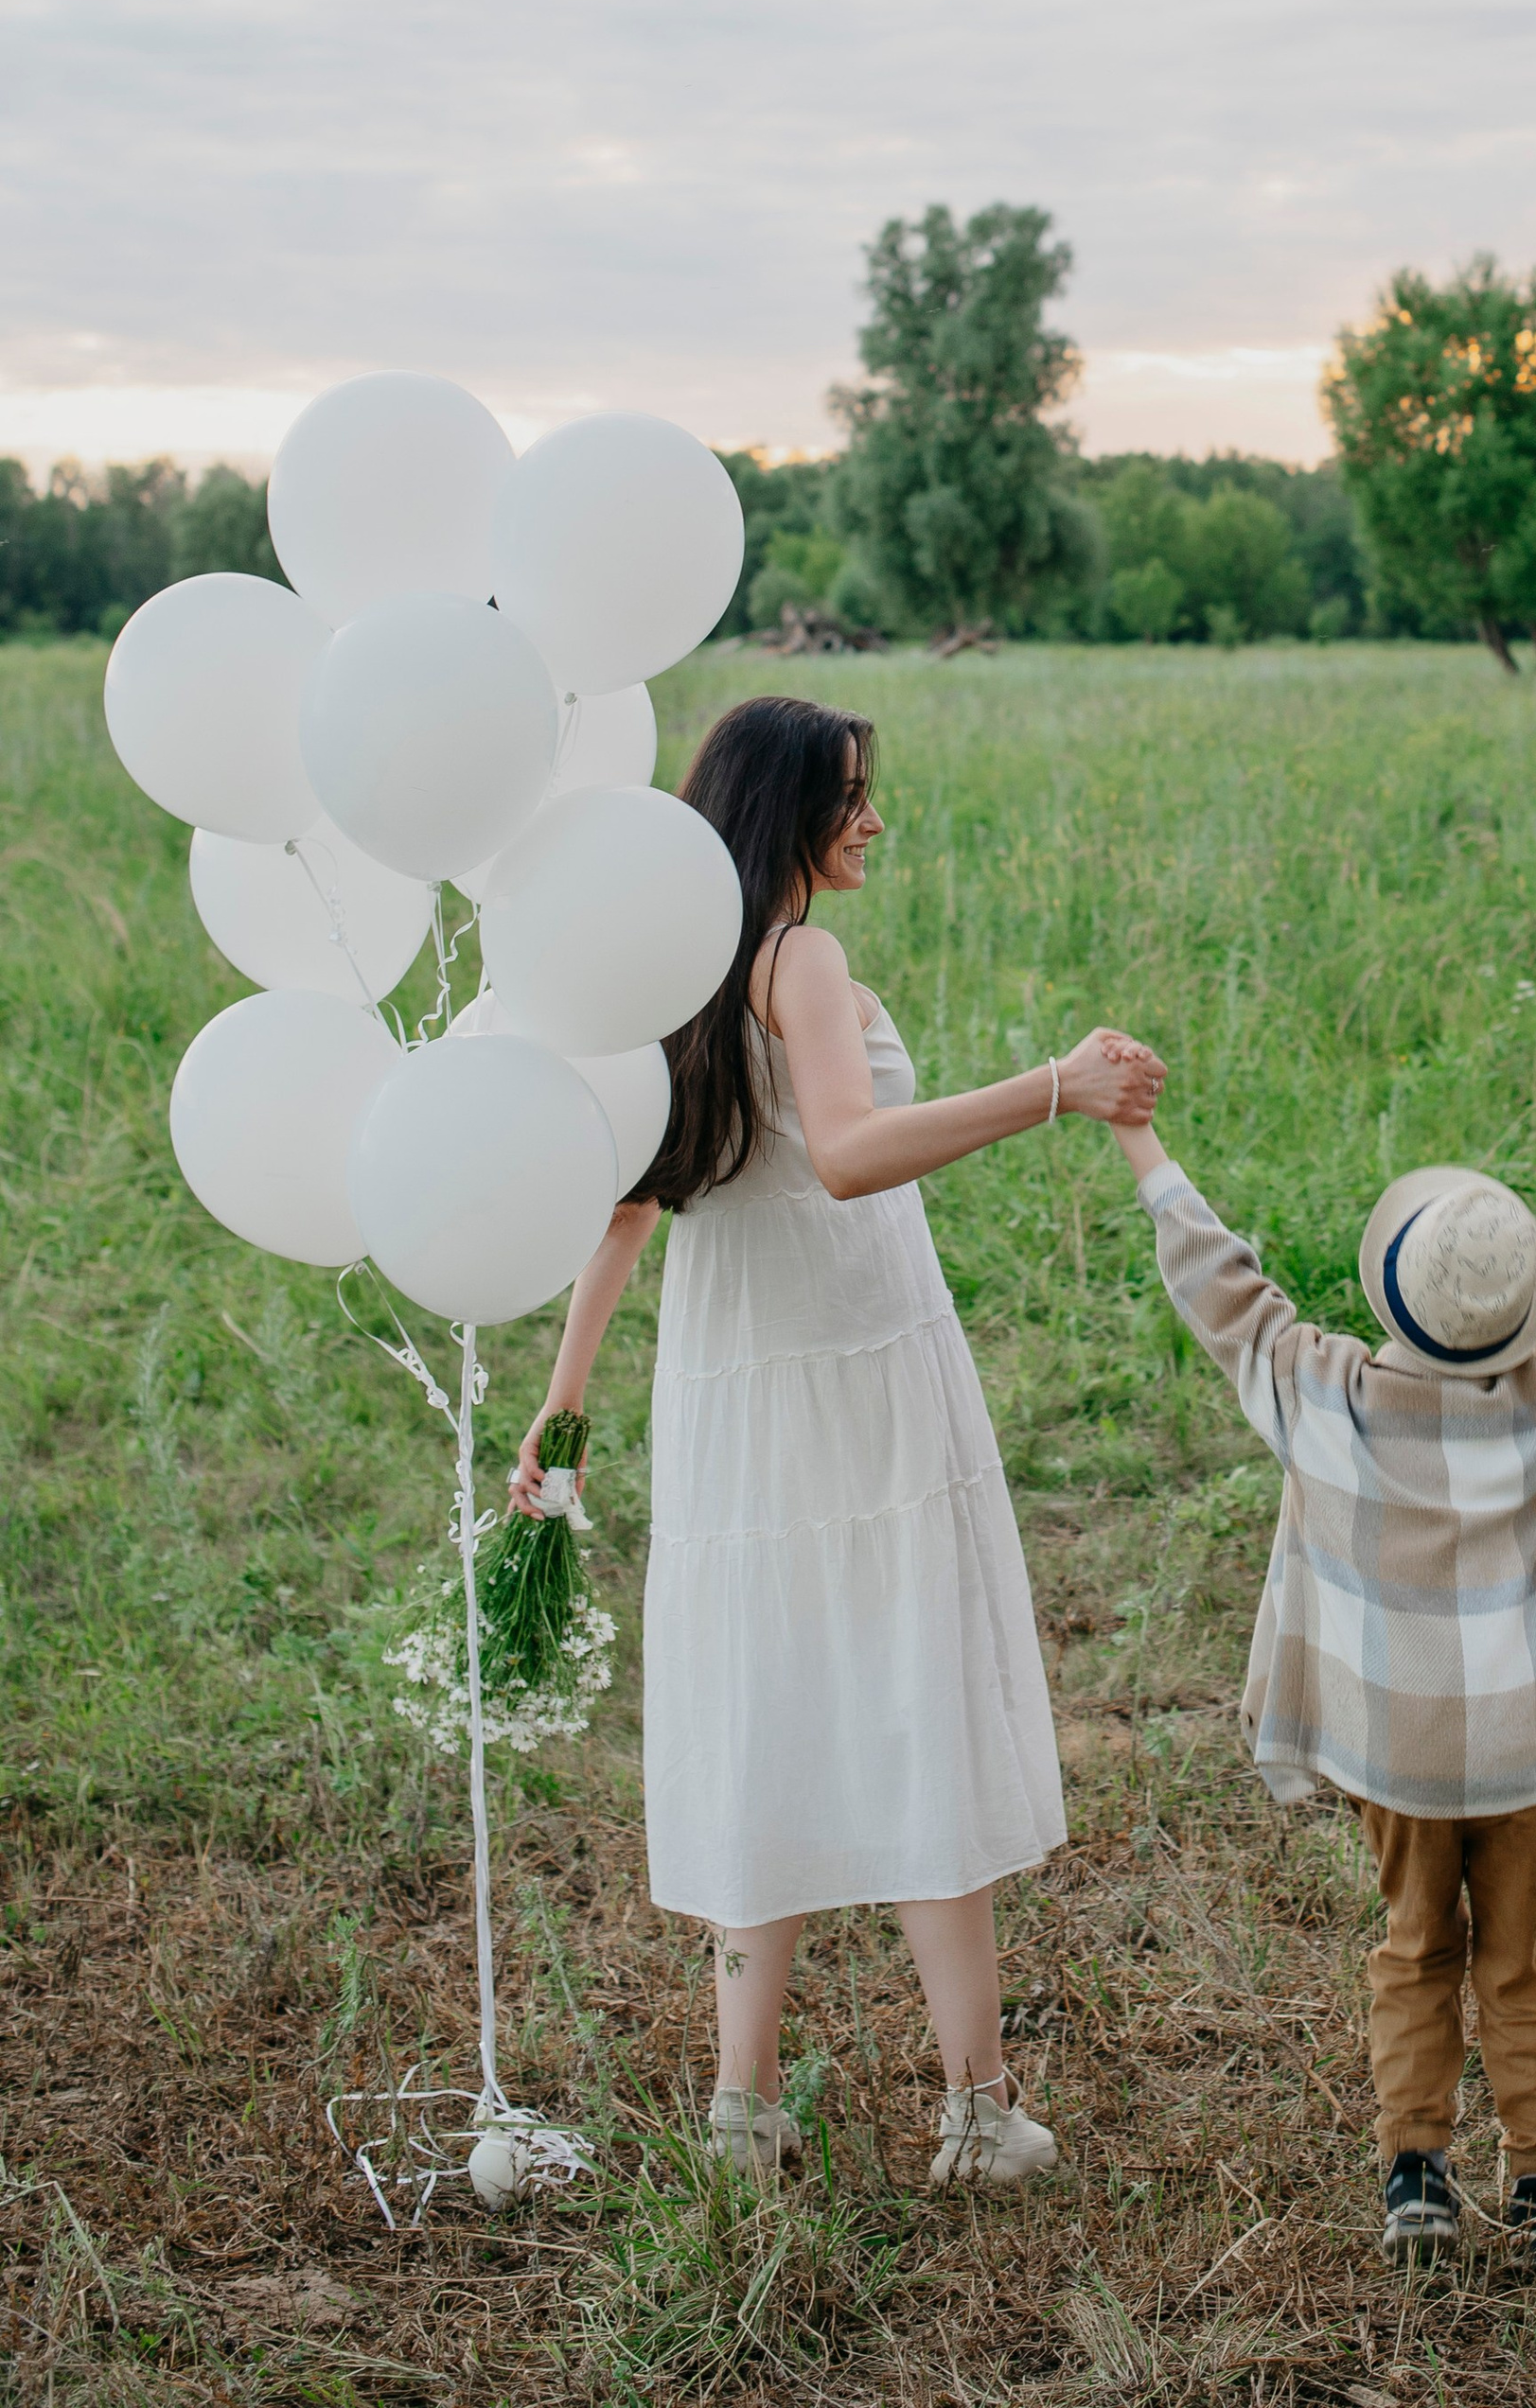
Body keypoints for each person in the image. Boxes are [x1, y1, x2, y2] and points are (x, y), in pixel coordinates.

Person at [509, 694, 1164, 2188]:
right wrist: (1055, 1088)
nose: (875, 820)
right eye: (852, 796)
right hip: (853, 1372)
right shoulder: (801, 955)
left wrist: (564, 1409)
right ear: (786, 809)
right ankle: (978, 2110)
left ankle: (743, 2114)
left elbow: (627, 1205)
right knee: (913, 1695)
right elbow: (856, 1156)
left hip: (734, 1388)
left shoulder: (680, 968)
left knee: (770, 1705)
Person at [1103, 1086, 1536, 2266]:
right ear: (1520, 1315)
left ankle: (1415, 2167)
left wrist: (1134, 1133)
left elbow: (1217, 1282)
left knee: (1415, 1944)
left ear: (1389, 1292)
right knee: (1525, 1955)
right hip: (1519, 1749)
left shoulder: (1323, 1394)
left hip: (1393, 1754)